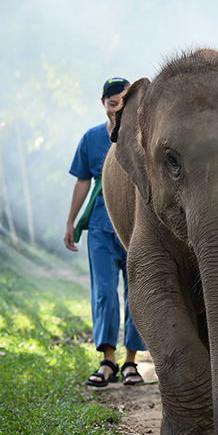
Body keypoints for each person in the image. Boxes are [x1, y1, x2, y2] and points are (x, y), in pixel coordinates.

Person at [64, 77, 147, 387]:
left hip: (135, 227)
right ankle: (107, 360)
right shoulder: (91, 139)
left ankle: (131, 362)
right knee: (104, 294)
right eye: (112, 104)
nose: (116, 110)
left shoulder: (142, 137)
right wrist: (71, 222)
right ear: (103, 104)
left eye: (121, 104)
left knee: (136, 294)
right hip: (100, 228)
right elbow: (82, 181)